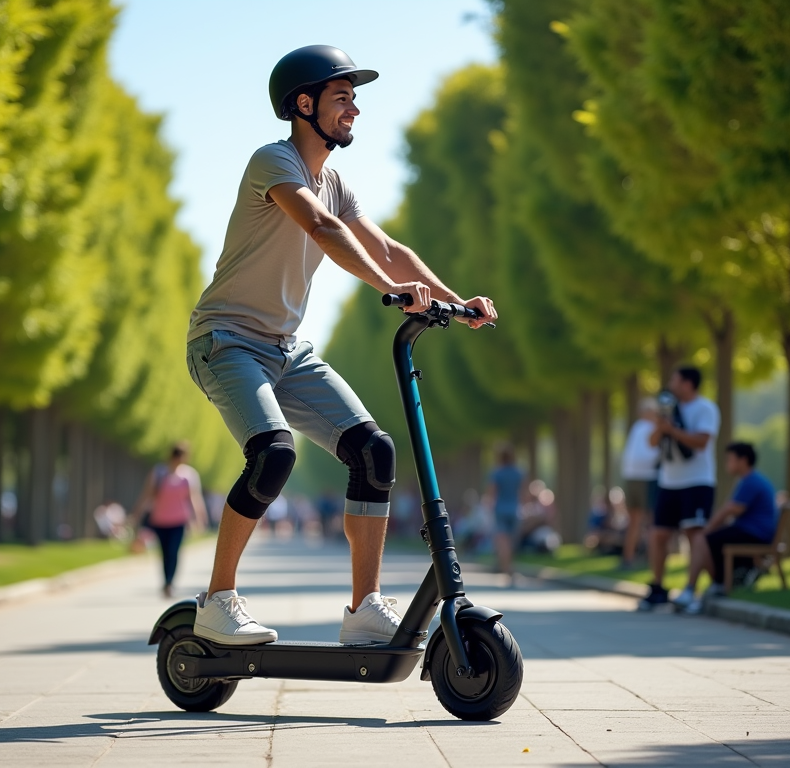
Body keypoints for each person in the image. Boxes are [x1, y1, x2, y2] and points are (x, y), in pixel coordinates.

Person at [185, 45, 497, 646]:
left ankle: (364, 610)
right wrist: (392, 291)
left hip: (284, 348)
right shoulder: (272, 162)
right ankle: (216, 600)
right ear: (304, 104)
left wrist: (458, 302)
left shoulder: (335, 181)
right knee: (274, 454)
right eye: (341, 96)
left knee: (374, 453)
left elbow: (389, 251)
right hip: (225, 341)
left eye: (355, 98)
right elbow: (321, 229)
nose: (354, 108)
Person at [638, 367, 720, 611]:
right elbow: (652, 443)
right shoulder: (668, 409)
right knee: (657, 534)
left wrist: (672, 429)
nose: (671, 383)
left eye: (675, 379)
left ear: (688, 383)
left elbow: (702, 441)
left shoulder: (705, 408)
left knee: (694, 534)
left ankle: (691, 588)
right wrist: (661, 427)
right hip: (669, 481)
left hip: (697, 481)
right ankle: (658, 587)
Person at [672, 442, 777, 614]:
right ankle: (716, 583)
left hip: (754, 535)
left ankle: (704, 586)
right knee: (705, 540)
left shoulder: (751, 481)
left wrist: (708, 529)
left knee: (701, 539)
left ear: (743, 460)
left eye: (730, 459)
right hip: (751, 532)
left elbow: (731, 509)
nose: (727, 463)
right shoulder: (749, 480)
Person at [131, 443, 208, 597]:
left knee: (173, 552)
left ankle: (169, 583)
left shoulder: (189, 475)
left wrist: (200, 518)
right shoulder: (159, 472)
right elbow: (147, 494)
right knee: (164, 553)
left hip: (178, 521)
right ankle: (166, 581)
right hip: (159, 520)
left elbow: (194, 498)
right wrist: (136, 514)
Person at [619, 398, 661, 569]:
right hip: (642, 477)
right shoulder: (644, 428)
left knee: (644, 521)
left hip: (640, 477)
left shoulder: (642, 428)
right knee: (641, 520)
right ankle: (636, 557)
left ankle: (646, 558)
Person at [486, 445, 524, 576]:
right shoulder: (518, 473)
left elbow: (492, 492)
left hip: (501, 509)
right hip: (514, 509)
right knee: (511, 540)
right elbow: (523, 492)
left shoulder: (497, 473)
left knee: (502, 541)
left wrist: (489, 506)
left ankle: (505, 567)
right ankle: (509, 566)